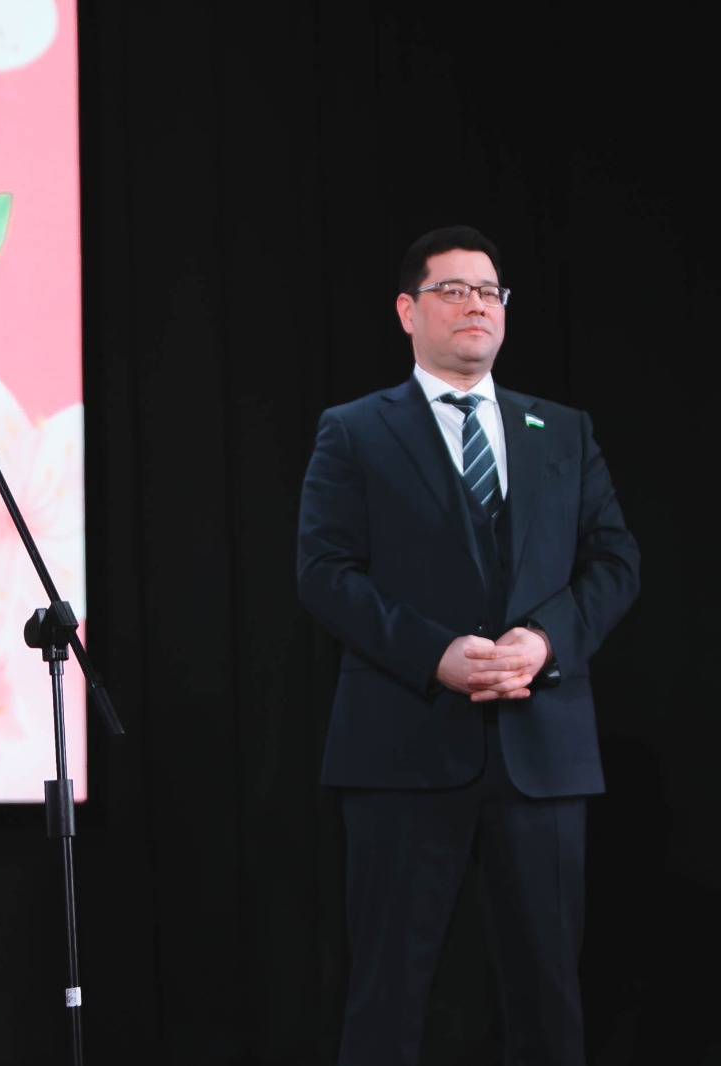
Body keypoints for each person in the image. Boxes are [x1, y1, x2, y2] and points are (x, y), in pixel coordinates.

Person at [296, 224, 639, 1064]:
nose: (476, 305)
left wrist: (545, 642)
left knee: (550, 1003)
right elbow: (325, 572)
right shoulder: (355, 430)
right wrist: (434, 655)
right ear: (407, 310)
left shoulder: (563, 430)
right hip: (403, 748)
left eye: (489, 291)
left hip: (542, 752)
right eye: (453, 290)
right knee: (386, 999)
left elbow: (615, 562)